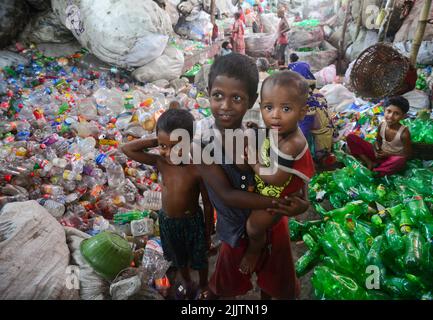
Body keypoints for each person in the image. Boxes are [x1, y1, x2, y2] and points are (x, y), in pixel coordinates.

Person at [195, 53, 310, 299]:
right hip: (236, 228)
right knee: (226, 284)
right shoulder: (202, 146)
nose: (225, 106)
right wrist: (280, 204)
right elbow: (227, 195)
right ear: (208, 93)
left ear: (251, 101)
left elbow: (292, 171)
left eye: (236, 98)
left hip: (274, 223)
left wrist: (302, 200)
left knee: (275, 284)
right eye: (218, 96)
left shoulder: (265, 132)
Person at [120, 109, 213, 299]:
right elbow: (127, 149)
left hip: (192, 222)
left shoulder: (197, 169)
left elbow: (209, 204)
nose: (169, 152)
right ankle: (187, 281)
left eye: (176, 146)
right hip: (168, 222)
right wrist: (158, 140)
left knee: (200, 258)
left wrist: (208, 230)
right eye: (164, 146)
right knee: (179, 259)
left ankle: (204, 284)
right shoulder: (161, 162)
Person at [240, 70, 315, 275]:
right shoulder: (280, 129)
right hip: (275, 181)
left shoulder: (292, 143)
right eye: (269, 107)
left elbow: (275, 178)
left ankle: (255, 250)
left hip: (281, 194)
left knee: (254, 227)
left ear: (302, 112)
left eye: (286, 108)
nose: (275, 115)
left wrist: (254, 162)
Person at [346, 96, 412, 177]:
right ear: (384, 110)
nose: (391, 116)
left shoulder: (404, 133)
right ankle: (369, 162)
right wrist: (376, 149)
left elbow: (408, 154)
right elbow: (378, 141)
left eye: (396, 113)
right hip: (379, 155)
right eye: (389, 111)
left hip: (391, 158)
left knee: (400, 160)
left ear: (403, 116)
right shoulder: (382, 124)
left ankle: (377, 171)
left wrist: (388, 154)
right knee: (351, 137)